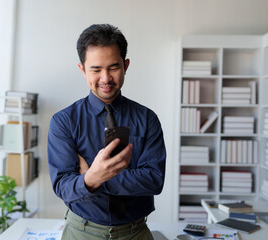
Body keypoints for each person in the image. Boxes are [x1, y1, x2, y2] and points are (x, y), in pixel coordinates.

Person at [47, 23, 166, 240]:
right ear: (82, 70)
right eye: (95, 69)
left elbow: (154, 180)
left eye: (113, 67)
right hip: (81, 232)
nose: (105, 78)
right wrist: (93, 178)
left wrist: (94, 177)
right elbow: (63, 186)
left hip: (136, 233)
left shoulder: (148, 119)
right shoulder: (64, 122)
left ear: (126, 65)